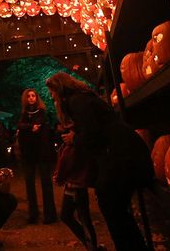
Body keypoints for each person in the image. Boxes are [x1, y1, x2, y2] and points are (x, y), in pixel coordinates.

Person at [46, 72, 152, 251]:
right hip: (121, 153)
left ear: (60, 88)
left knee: (111, 205)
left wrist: (75, 138)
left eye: (52, 92)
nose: (51, 96)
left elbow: (92, 133)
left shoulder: (75, 102)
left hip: (121, 155)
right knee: (115, 208)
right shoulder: (83, 98)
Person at [54, 122, 102, 250]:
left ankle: (92, 246)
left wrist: (59, 177)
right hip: (76, 184)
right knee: (78, 216)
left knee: (78, 217)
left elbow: (66, 163)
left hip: (75, 185)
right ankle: (91, 245)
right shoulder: (72, 147)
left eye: (66, 132)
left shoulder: (72, 148)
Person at [17, 88, 57, 224]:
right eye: (28, 96)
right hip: (28, 154)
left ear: (36, 97)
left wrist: (26, 128)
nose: (31, 98)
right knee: (29, 184)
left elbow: (36, 127)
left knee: (46, 183)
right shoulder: (24, 114)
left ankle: (50, 215)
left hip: (42, 152)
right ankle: (33, 214)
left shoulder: (42, 112)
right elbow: (22, 126)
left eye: (33, 95)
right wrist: (29, 127)